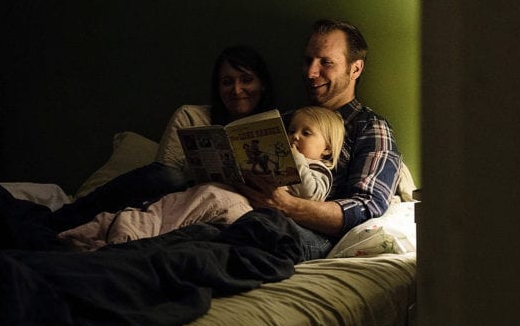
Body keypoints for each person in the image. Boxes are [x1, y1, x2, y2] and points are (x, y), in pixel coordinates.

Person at [48, 45, 276, 232]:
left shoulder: (280, 127)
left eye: (246, 80)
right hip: (176, 196)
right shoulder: (191, 115)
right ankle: (66, 217)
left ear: (262, 84)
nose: (236, 90)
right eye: (227, 82)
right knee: (169, 177)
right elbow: (163, 175)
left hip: (229, 209)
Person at [57, 106, 345, 250]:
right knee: (171, 203)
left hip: (244, 209)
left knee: (189, 209)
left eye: (305, 134)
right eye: (291, 130)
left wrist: (289, 152)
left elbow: (311, 193)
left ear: (328, 148)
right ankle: (103, 225)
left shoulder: (320, 171)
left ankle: (126, 234)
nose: (294, 137)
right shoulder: (193, 113)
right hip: (224, 192)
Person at [235, 19, 402, 260]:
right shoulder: (287, 119)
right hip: (240, 213)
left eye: (326, 62)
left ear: (355, 69)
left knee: (258, 234)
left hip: (304, 234)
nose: (311, 73)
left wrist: (285, 205)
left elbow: (367, 208)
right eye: (308, 61)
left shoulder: (369, 127)